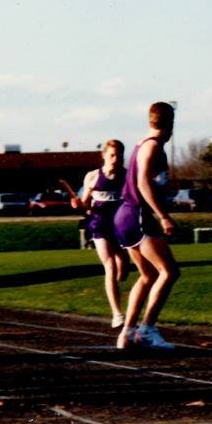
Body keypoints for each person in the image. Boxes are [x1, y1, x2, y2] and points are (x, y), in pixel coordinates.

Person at [113, 102, 180, 350]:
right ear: (170, 123)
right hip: (137, 214)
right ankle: (147, 330)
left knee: (148, 275)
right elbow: (142, 183)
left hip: (125, 215)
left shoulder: (142, 144)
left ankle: (127, 333)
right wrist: (163, 216)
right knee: (169, 272)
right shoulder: (152, 147)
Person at [71, 140, 128, 328]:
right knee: (110, 265)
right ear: (104, 155)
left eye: (119, 156)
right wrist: (78, 205)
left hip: (120, 223)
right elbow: (85, 205)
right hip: (99, 223)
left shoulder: (128, 175)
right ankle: (117, 314)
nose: (115, 159)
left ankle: (119, 275)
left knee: (122, 269)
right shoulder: (93, 176)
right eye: (112, 155)